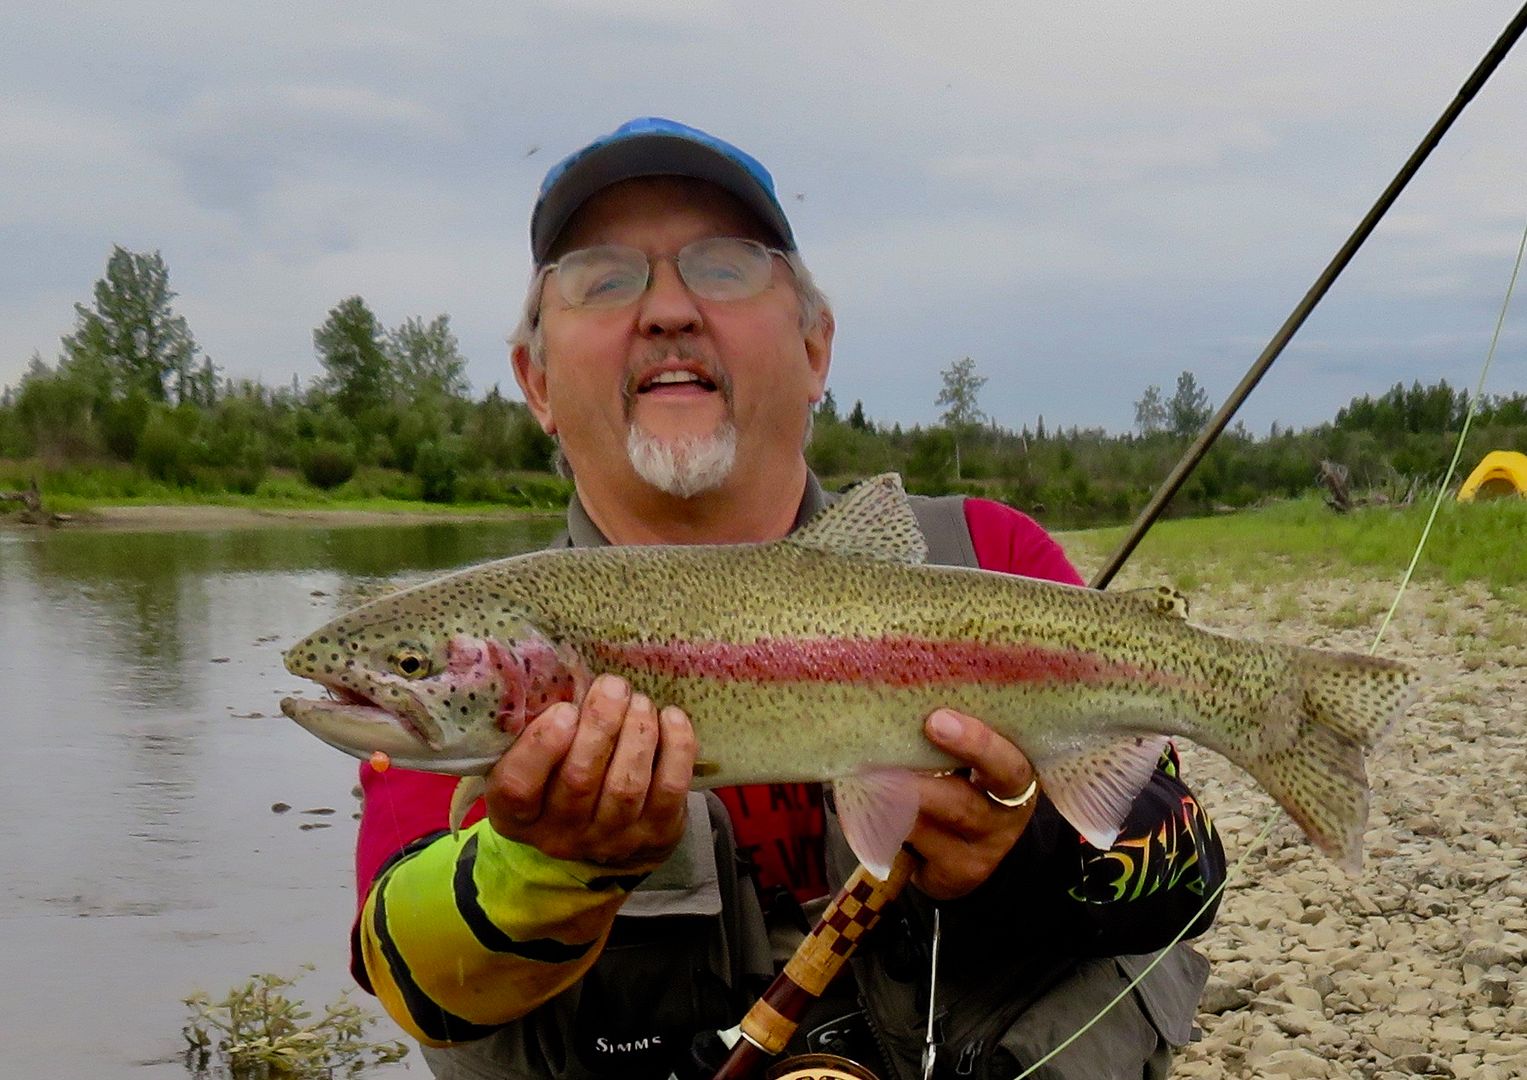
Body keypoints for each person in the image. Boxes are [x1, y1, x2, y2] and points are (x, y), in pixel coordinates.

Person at [349, 117, 1226, 1080]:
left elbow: (1187, 876)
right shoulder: (490, 639)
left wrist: (1029, 855)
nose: (667, 310)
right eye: (602, 279)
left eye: (724, 269)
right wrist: (544, 867)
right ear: (535, 381)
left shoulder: (987, 557)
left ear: (815, 350)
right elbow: (409, 980)